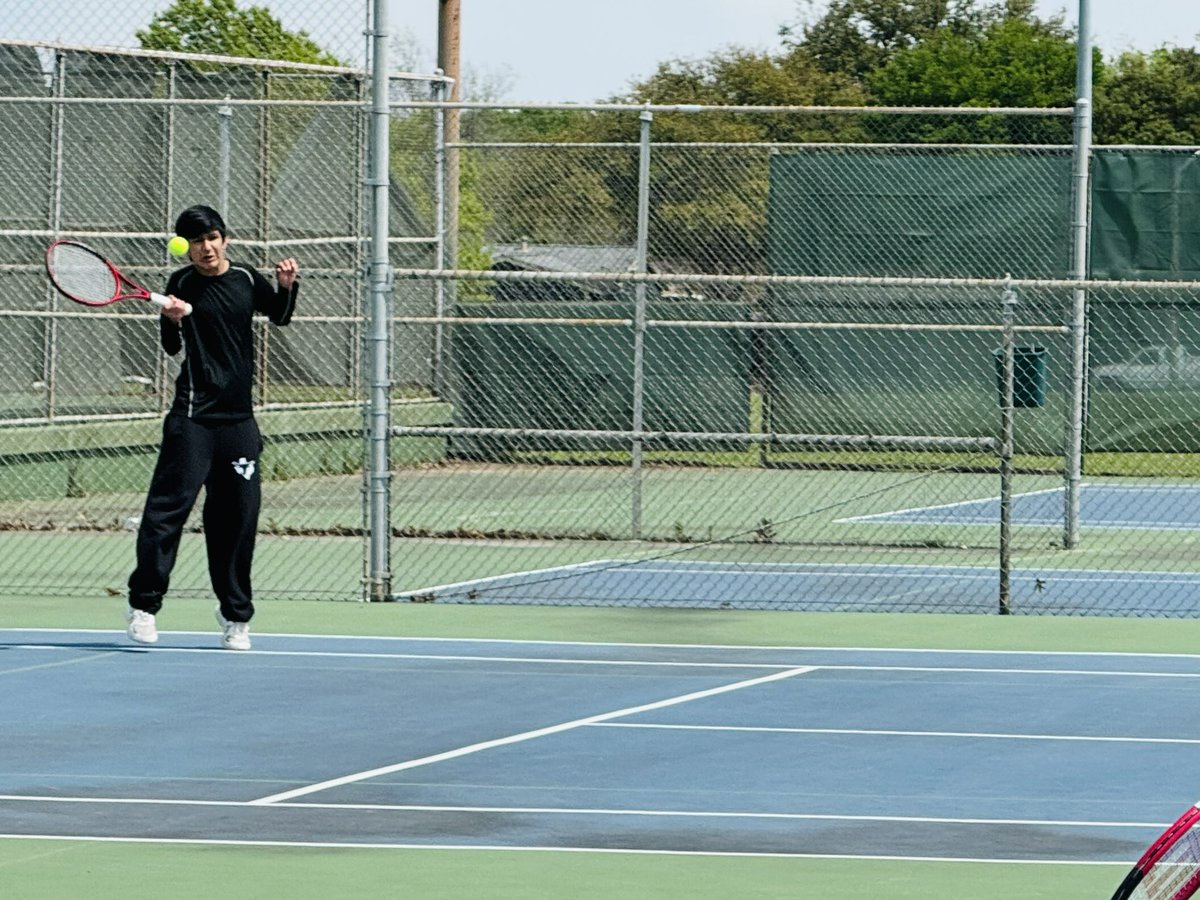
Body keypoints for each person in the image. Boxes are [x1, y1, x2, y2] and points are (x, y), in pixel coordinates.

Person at [125, 205, 298, 650]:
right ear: (185, 247)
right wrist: (171, 318)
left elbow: (279, 315)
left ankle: (235, 616)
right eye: (197, 241)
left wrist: (285, 287)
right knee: (166, 515)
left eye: (213, 238)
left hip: (238, 422)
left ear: (225, 239)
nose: (206, 247)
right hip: (192, 420)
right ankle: (144, 606)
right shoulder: (181, 285)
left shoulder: (244, 278)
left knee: (238, 521)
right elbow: (169, 347)